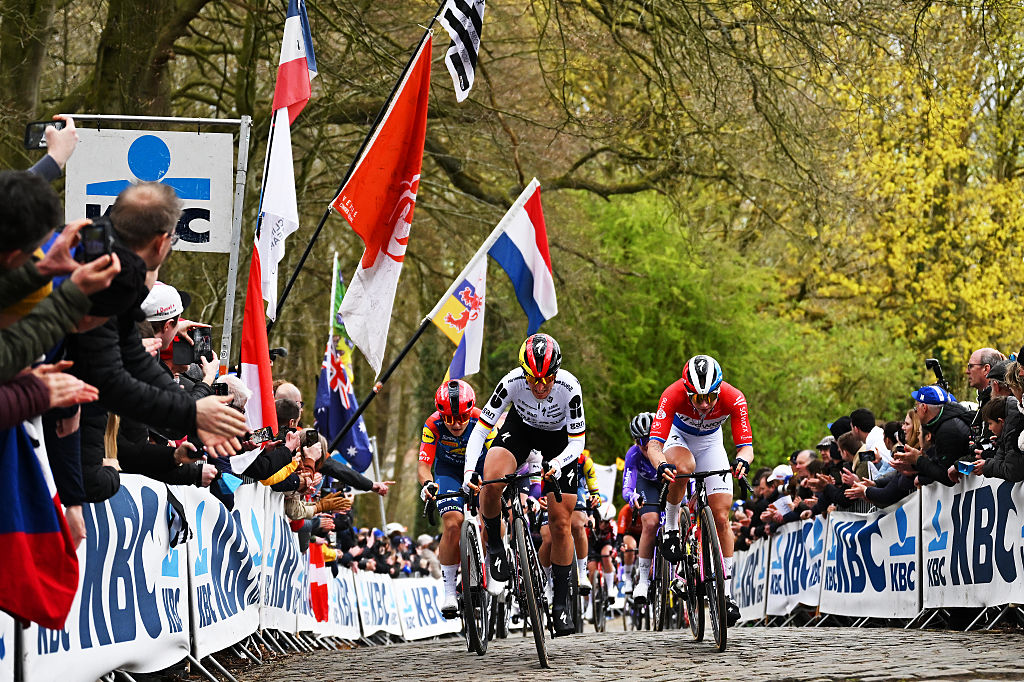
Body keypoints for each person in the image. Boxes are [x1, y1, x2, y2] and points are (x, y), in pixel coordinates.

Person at [463, 333, 585, 637]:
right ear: (523, 373)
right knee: (491, 482)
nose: (541, 386)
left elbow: (578, 441)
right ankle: (495, 544)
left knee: (560, 523)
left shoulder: (570, 388)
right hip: (520, 430)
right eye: (534, 379)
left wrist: (556, 464)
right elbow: (480, 430)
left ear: (556, 373)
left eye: (547, 379)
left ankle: (560, 604)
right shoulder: (511, 382)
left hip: (560, 442)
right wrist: (468, 471)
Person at [646, 354, 752, 625]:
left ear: (719, 390)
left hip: (711, 443)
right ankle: (670, 525)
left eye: (710, 398)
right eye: (697, 398)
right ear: (686, 391)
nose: (704, 405)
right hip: (677, 438)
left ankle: (726, 594)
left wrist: (742, 461)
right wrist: (660, 466)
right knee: (683, 466)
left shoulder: (734, 397)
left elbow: (746, 447)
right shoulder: (672, 395)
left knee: (721, 517)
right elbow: (654, 446)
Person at [417, 379, 489, 618]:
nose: (456, 424)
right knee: (451, 523)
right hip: (448, 472)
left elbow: (498, 455)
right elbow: (424, 465)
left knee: (492, 516)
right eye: (449, 418)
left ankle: (490, 567)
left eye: (461, 418)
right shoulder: (433, 424)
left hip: (481, 469)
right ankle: (449, 591)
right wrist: (428, 483)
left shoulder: (484, 419)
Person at [620, 412, 663, 603]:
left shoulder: (671, 447)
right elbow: (627, 486)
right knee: (651, 522)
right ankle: (643, 581)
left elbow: (688, 472)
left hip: (671, 482)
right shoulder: (634, 454)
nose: (647, 451)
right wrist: (632, 495)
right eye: (643, 446)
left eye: (650, 445)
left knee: (680, 516)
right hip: (649, 486)